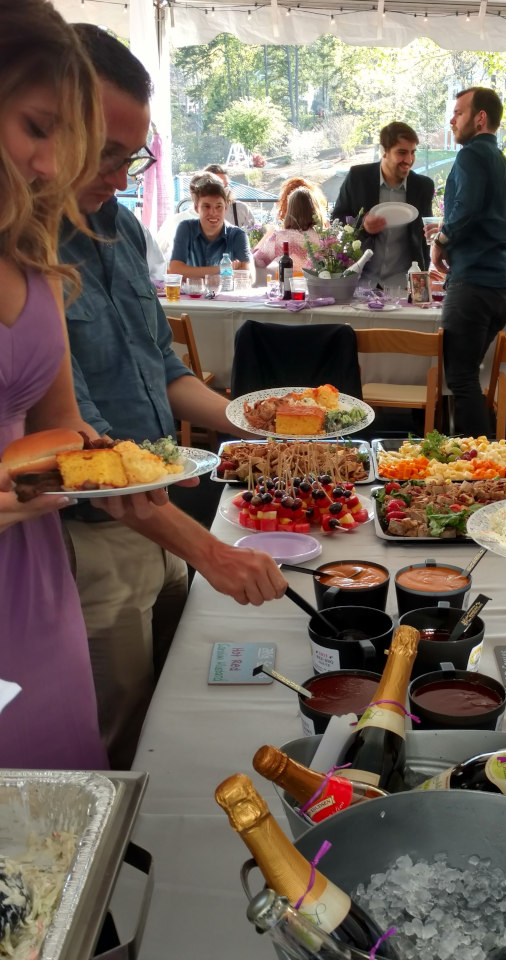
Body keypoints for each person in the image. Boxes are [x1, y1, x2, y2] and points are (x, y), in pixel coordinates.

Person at [61, 24, 286, 769]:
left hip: (161, 514)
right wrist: (208, 548)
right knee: (117, 738)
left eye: (134, 155)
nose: (122, 176)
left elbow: (161, 365)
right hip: (91, 540)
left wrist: (252, 423)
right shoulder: (27, 259)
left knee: (177, 707)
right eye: (107, 154)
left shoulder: (121, 230)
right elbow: (79, 438)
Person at [0, 0, 149, 768]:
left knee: (66, 792)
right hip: (51, 548)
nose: (53, 165)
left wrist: (88, 456)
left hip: (35, 562)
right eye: (36, 127)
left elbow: (62, 427)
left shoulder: (31, 254)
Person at [429, 87, 506, 437]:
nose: (452, 120)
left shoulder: (470, 157)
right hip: (503, 289)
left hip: (473, 283)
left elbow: (464, 207)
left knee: (461, 378)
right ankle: (476, 463)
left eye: (458, 112)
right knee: (467, 375)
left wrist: (440, 240)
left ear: (480, 118)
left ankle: (480, 472)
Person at [332, 121, 434, 291]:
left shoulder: (423, 186)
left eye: (413, 152)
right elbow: (337, 219)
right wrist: (362, 224)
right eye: (402, 152)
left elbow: (424, 238)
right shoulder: (358, 178)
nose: (409, 160)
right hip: (360, 282)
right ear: (384, 151)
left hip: (403, 285)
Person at [168, 172, 253, 280]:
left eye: (218, 207)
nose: (213, 212)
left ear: (225, 208)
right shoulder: (185, 228)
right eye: (206, 206)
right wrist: (222, 268)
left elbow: (247, 277)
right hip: (192, 295)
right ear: (196, 208)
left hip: (225, 296)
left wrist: (189, 272)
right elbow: (175, 271)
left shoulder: (237, 234)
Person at [253, 187, 320, 267]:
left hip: (285, 279)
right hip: (314, 280)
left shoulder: (279, 237)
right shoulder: (323, 239)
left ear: (290, 210)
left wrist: (267, 235)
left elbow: (257, 262)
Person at [204, 163, 253, 228]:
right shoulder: (192, 215)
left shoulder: (241, 209)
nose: (224, 191)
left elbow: (256, 234)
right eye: (219, 186)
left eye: (226, 186)